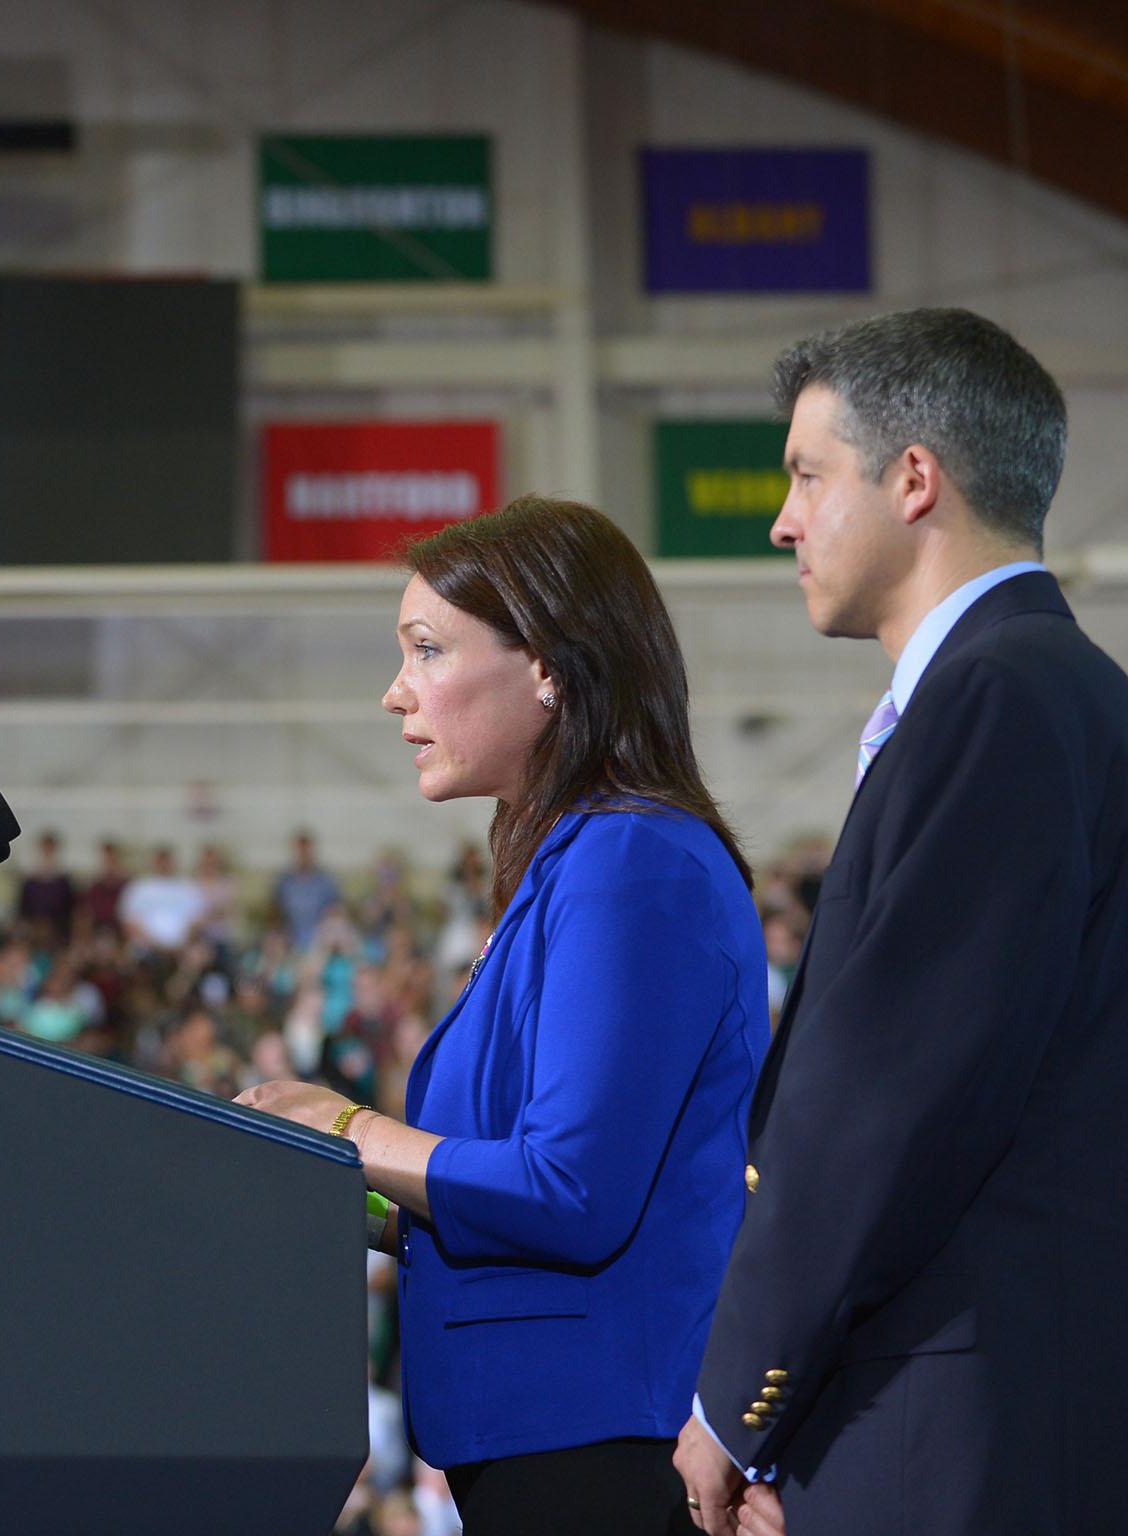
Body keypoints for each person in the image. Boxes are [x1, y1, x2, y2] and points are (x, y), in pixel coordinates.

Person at [674, 309, 1128, 1536]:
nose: (782, 519)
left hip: (950, 1409)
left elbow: (892, 1092)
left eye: (806, 475)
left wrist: (731, 1404)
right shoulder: (1049, 693)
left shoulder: (993, 698)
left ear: (912, 480)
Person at [241, 496, 769, 1535]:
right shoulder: (572, 866)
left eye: (426, 651)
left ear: (548, 670)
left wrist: (348, 1131)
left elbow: (569, 1188)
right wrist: (333, 1185)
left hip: (597, 1445)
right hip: (539, 1439)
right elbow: (513, 1188)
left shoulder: (629, 862)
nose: (395, 694)